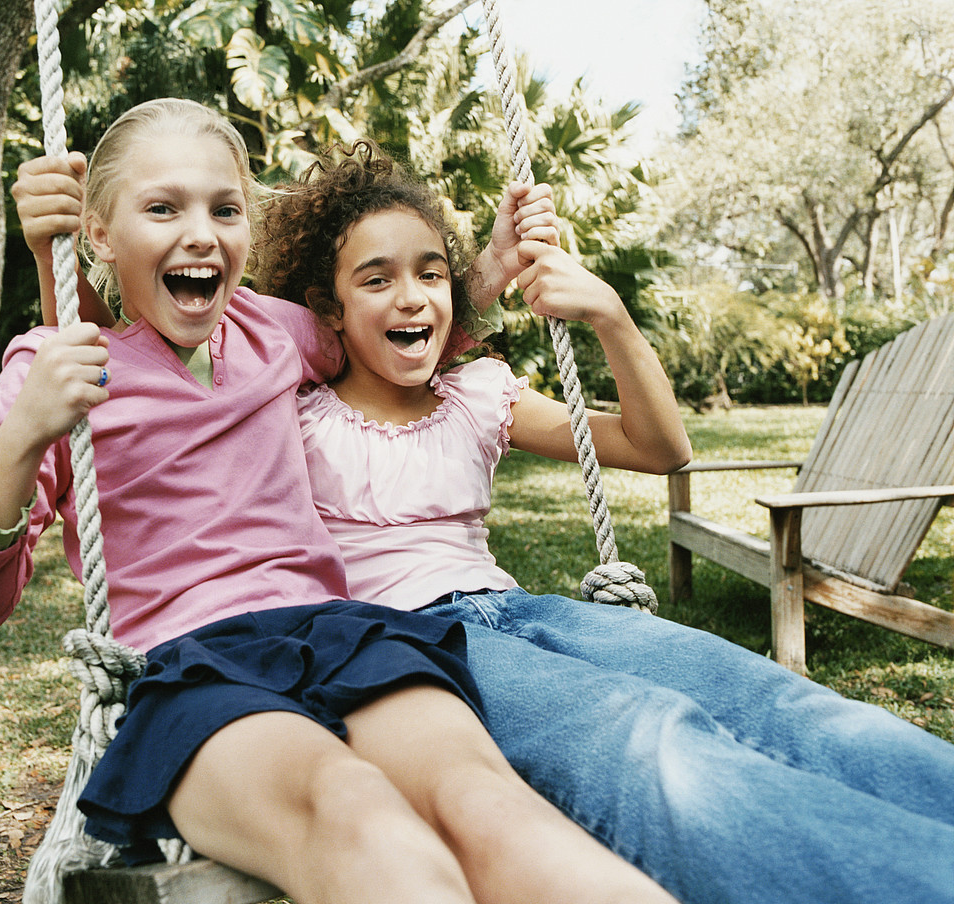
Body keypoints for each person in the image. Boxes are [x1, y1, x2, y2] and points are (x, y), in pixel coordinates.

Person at [0, 98, 678, 904]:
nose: (200, 233)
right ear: (101, 235)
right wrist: (22, 437)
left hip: (344, 635)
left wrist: (487, 278)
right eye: (161, 208)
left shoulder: (271, 332)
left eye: (224, 209)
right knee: (350, 810)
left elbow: (390, 338)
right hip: (191, 665)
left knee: (486, 805)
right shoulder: (55, 370)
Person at [250, 140, 954, 904]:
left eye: (430, 273)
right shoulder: (292, 413)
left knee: (776, 701)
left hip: (527, 611)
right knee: (646, 747)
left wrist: (608, 314)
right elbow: (197, 351)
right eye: (376, 279)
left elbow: (660, 448)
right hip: (412, 651)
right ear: (326, 306)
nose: (413, 296)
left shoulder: (478, 396)